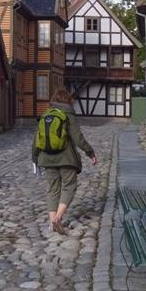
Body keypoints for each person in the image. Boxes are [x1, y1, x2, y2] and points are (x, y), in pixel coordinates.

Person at [32, 89, 97, 235]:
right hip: (66, 159)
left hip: (47, 158)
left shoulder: (46, 115)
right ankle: (58, 217)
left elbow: (36, 139)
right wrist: (90, 152)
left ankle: (51, 223)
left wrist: (35, 158)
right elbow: (77, 137)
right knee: (69, 187)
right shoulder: (69, 114)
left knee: (53, 189)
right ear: (68, 101)